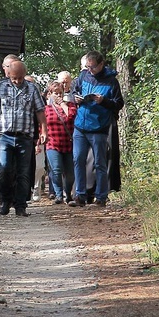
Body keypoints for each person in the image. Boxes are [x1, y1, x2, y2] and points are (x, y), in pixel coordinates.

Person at [0, 61, 47, 217]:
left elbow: (40, 111)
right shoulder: (1, 87)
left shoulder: (32, 88)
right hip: (5, 135)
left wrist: (44, 130)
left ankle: (21, 206)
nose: (18, 81)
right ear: (8, 75)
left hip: (25, 136)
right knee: (4, 169)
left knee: (24, 172)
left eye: (20, 78)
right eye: (14, 78)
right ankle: (5, 202)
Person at [71, 50, 125, 207]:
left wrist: (104, 101)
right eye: (87, 67)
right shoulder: (83, 76)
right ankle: (80, 195)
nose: (90, 70)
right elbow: (75, 91)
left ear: (101, 64)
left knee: (99, 163)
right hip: (80, 125)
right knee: (78, 159)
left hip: (99, 128)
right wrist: (76, 98)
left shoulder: (112, 82)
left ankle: (101, 197)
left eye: (93, 67)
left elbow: (118, 103)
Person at [44, 81, 77, 204]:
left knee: (70, 174)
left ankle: (67, 194)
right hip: (52, 143)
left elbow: (71, 116)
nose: (58, 96)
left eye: (60, 93)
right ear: (50, 94)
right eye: (55, 93)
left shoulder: (70, 106)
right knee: (56, 169)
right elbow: (41, 126)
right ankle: (58, 195)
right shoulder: (46, 109)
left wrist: (62, 104)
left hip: (68, 143)